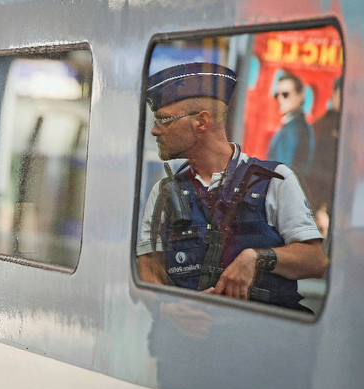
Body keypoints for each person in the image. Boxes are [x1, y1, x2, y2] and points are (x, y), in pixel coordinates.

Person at [136, 62, 325, 311]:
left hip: (264, 341)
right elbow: (148, 272)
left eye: (164, 120)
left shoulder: (275, 179)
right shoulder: (163, 193)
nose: (154, 130)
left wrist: (257, 257)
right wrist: (166, 308)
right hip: (187, 341)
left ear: (201, 121)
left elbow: (315, 261)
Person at [308, 77, 342, 238]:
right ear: (334, 95)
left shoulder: (349, 127)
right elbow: (318, 169)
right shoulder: (322, 127)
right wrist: (321, 206)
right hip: (324, 202)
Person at [267, 73, 315, 176]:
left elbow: (283, 171)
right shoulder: (295, 125)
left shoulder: (294, 129)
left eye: (285, 94)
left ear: (300, 95)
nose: (280, 99)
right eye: (277, 94)